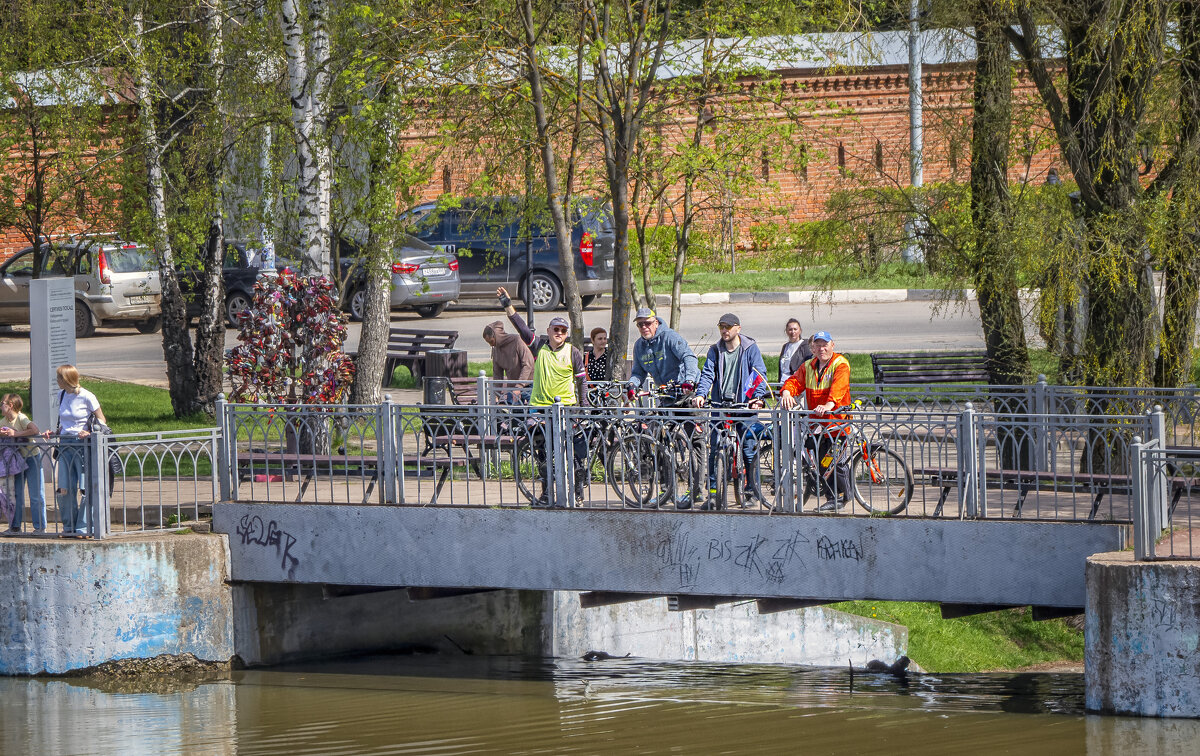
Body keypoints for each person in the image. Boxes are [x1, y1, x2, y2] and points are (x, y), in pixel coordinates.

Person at [497, 290, 589, 507]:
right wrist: (508, 306)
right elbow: (521, 328)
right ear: (548, 331)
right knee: (542, 452)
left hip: (566, 408)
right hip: (539, 409)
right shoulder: (540, 347)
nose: (559, 332)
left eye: (563, 330)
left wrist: (584, 406)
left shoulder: (573, 352)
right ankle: (546, 493)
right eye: (555, 329)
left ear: (566, 334)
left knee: (573, 452)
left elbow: (582, 380)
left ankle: (576, 491)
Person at [691, 313, 770, 510]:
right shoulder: (715, 350)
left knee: (749, 450)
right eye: (721, 327)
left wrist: (757, 399)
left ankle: (752, 492)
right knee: (715, 449)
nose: (724, 330)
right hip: (721, 406)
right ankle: (713, 494)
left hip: (744, 407)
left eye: (728, 327)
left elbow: (759, 374)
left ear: (738, 328)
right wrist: (701, 394)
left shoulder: (749, 348)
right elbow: (708, 373)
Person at [780, 331, 853, 511]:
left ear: (832, 345)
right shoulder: (808, 366)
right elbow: (794, 382)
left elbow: (839, 387)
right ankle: (833, 497)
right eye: (818, 345)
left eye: (825, 344)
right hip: (818, 424)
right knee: (821, 461)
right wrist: (787, 392)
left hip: (836, 422)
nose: (822, 348)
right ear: (813, 348)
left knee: (834, 462)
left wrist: (829, 404)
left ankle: (840, 498)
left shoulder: (840, 363)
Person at [43, 365, 106, 538]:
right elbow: (65, 421)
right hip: (64, 444)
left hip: (82, 445)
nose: (57, 381)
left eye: (59, 378)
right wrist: (55, 432)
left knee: (85, 488)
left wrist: (90, 432)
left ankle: (84, 528)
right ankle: (69, 527)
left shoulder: (87, 396)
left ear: (67, 379)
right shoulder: (61, 394)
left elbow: (102, 421)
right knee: (64, 488)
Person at [1, 394, 45, 534]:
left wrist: (15, 434)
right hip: (17, 461)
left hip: (32, 458)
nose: (1, 406)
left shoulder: (21, 417)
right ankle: (15, 526)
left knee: (36, 494)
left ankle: (39, 527)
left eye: (2, 403)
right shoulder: (4, 421)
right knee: (17, 494)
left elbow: (34, 430)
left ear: (10, 405)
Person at [628, 307, 699, 393]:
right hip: (665, 392)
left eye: (647, 323)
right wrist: (632, 385)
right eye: (640, 324)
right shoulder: (638, 346)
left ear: (656, 323)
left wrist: (689, 381)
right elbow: (638, 373)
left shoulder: (670, 337)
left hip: (686, 388)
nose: (644, 327)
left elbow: (689, 357)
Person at [778, 318, 813, 383]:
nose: (793, 332)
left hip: (796, 384)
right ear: (786, 331)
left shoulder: (805, 345)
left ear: (800, 331)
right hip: (783, 383)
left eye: (795, 329)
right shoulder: (785, 346)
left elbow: (809, 366)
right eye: (790, 329)